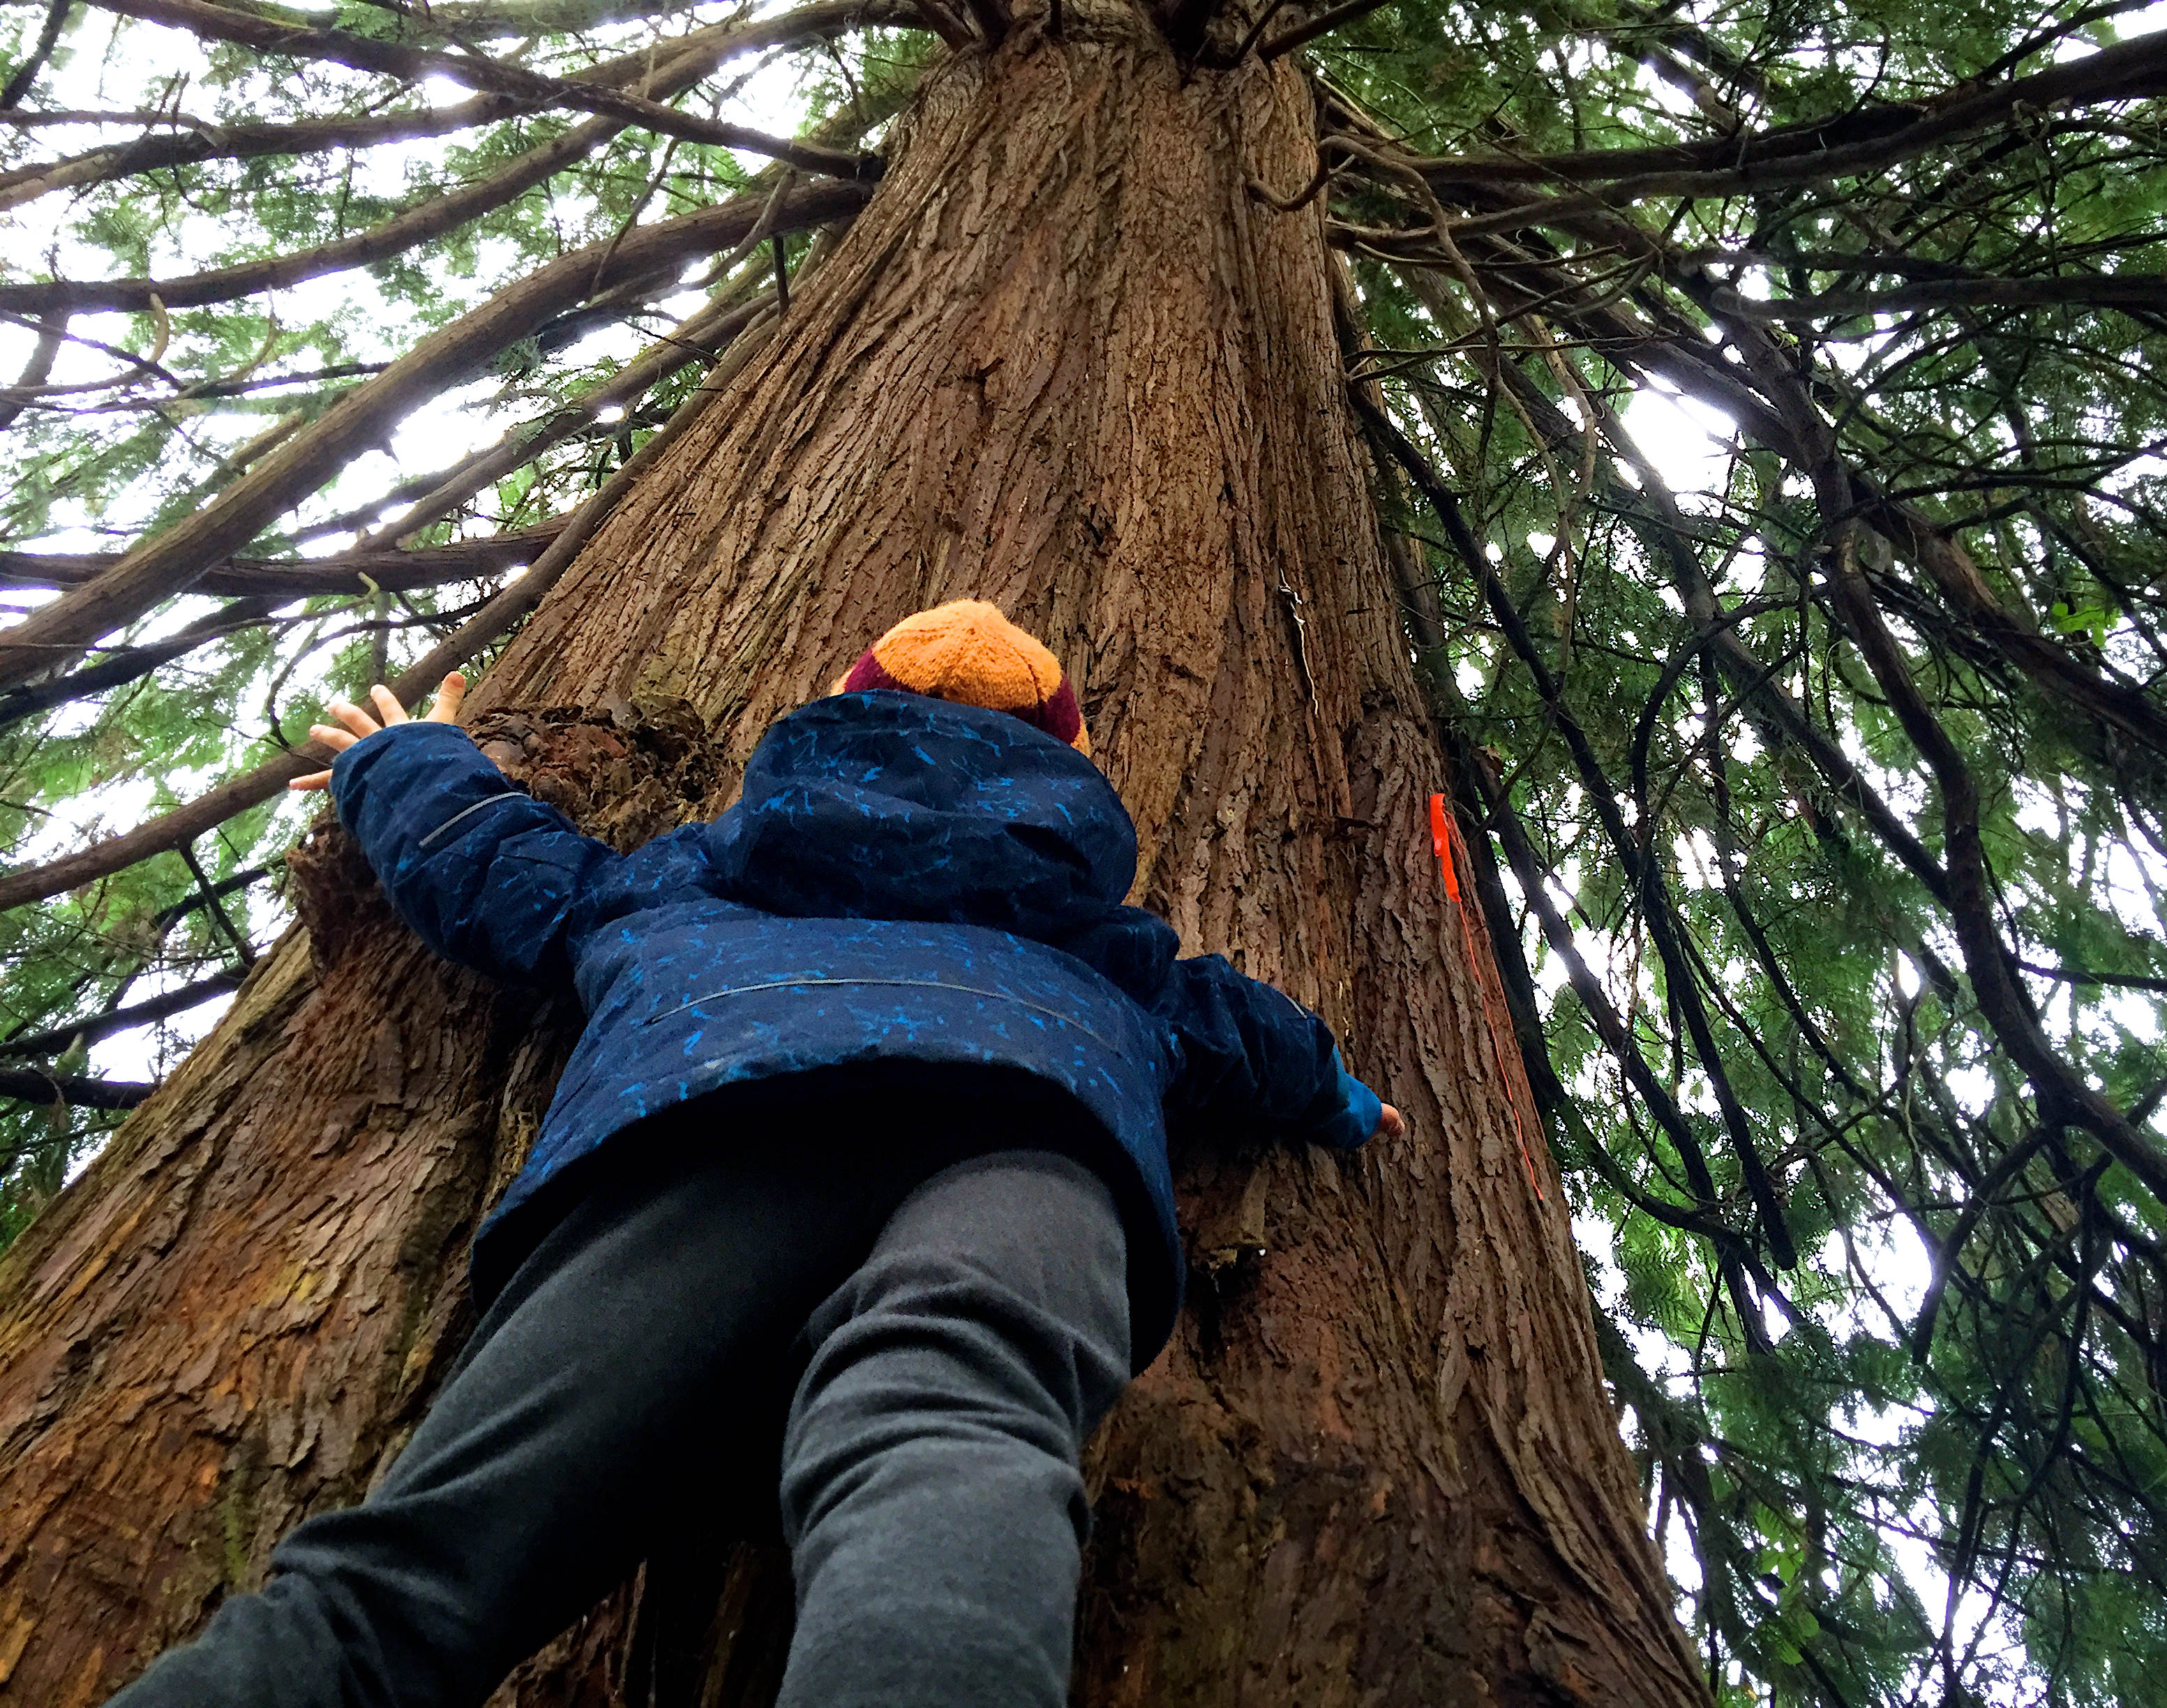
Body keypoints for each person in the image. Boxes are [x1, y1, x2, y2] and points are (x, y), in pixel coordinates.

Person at [107, 599, 1402, 1708]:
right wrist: (1342, 1094)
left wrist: (403, 766)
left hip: (710, 1125)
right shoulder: (1102, 933)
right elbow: (1241, 1028)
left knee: (411, 1581)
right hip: (1028, 1132)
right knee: (959, 1424)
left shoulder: (702, 870)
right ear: (1065, 764)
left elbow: (516, 874)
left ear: (841, 709)